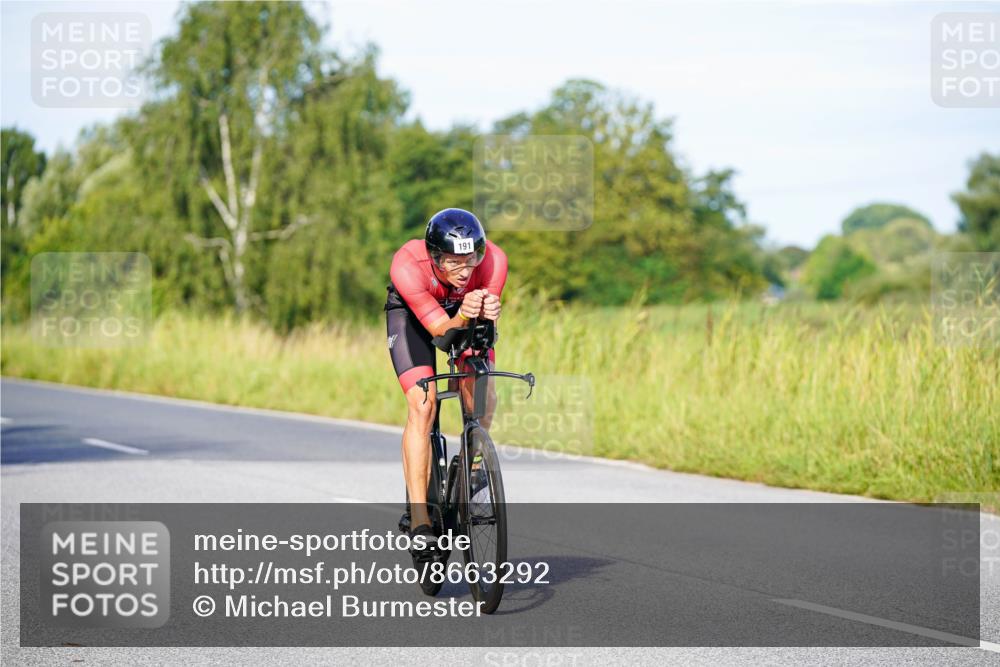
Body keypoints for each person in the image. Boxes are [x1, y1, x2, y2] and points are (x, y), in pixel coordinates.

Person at [384, 208, 507, 556]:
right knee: (423, 405)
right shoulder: (407, 265)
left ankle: (473, 468)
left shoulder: (494, 261)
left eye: (471, 260)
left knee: (482, 388)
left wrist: (485, 310)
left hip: (464, 316)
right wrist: (466, 311)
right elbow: (441, 331)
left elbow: (479, 325)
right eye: (454, 262)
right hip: (416, 318)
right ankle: (420, 518)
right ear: (435, 256)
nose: (466, 271)